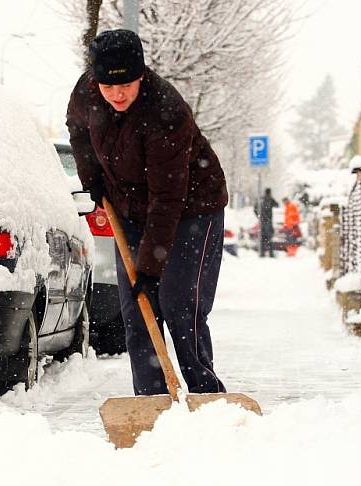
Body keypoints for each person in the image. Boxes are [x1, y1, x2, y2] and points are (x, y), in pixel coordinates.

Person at [66, 29, 227, 396]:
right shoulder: (87, 92)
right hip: (131, 208)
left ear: (141, 74)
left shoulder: (165, 111)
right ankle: (152, 400)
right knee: (137, 312)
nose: (117, 94)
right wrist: (92, 178)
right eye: (108, 86)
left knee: (178, 304)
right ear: (96, 81)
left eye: (125, 85)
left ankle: (205, 392)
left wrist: (151, 268)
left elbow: (168, 197)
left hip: (192, 209)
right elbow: (76, 129)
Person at [256, 188, 278, 258]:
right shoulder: (270, 199)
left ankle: (262, 253)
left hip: (262, 221)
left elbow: (255, 208)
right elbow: (277, 205)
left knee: (262, 238)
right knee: (269, 238)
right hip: (268, 221)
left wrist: (259, 216)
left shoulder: (261, 199)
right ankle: (271, 253)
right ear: (270, 192)